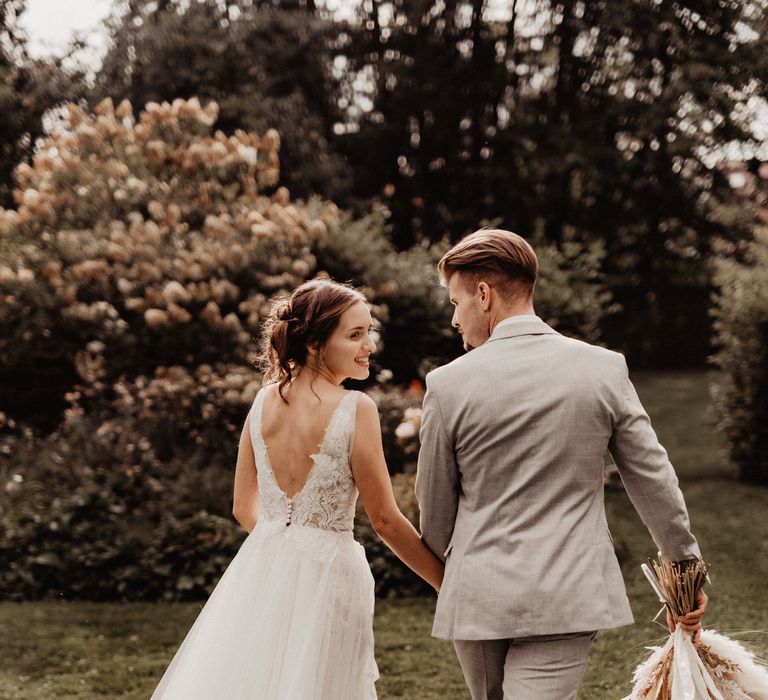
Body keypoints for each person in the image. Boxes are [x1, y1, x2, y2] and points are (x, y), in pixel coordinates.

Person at [415, 228, 708, 700]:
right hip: (566, 589)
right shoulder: (602, 368)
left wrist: (453, 577)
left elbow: (434, 514)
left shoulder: (446, 385)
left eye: (456, 301)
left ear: (484, 294)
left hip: (477, 597)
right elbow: (652, 477)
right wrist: (685, 568)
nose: (454, 318)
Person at [150, 278, 443, 700]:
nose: (369, 346)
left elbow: (241, 506)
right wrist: (443, 582)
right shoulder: (356, 408)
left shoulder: (264, 400)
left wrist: (283, 552)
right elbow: (383, 520)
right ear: (314, 344)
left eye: (369, 333)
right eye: (355, 334)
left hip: (263, 567)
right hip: (330, 574)